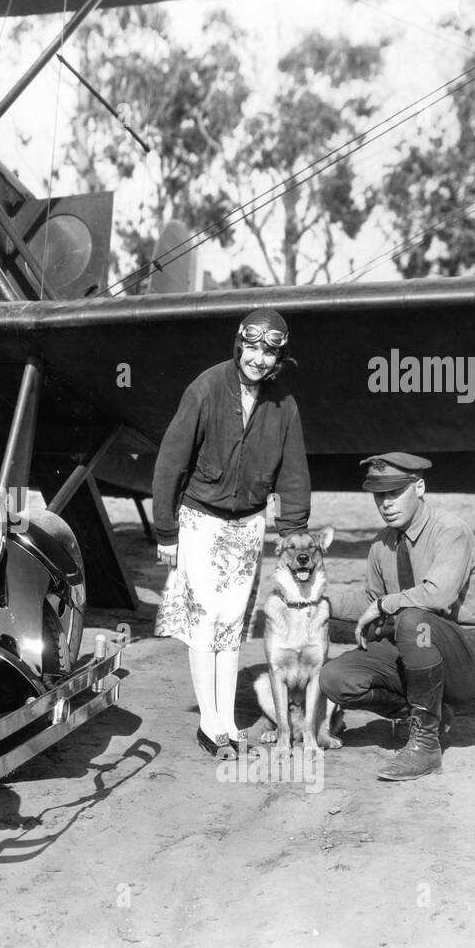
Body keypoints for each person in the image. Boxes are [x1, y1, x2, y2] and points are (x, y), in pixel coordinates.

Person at [152, 308, 311, 760]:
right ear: (240, 343)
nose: (258, 359)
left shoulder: (284, 404)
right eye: (253, 347)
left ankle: (228, 720)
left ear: (279, 357)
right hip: (200, 520)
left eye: (270, 351)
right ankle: (209, 722)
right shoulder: (205, 387)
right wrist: (166, 532)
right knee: (205, 620)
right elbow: (171, 461)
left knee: (232, 622)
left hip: (248, 526)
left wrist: (294, 531)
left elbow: (294, 473)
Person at [319, 453, 475, 780]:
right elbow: (371, 599)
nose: (386, 503)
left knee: (412, 619)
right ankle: (429, 713)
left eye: (395, 492)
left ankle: (426, 746)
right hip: (415, 649)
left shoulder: (450, 531)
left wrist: (383, 607)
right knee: (335, 678)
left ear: (419, 487)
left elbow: (437, 594)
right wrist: (316, 601)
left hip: (473, 657)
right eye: (380, 495)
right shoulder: (382, 544)